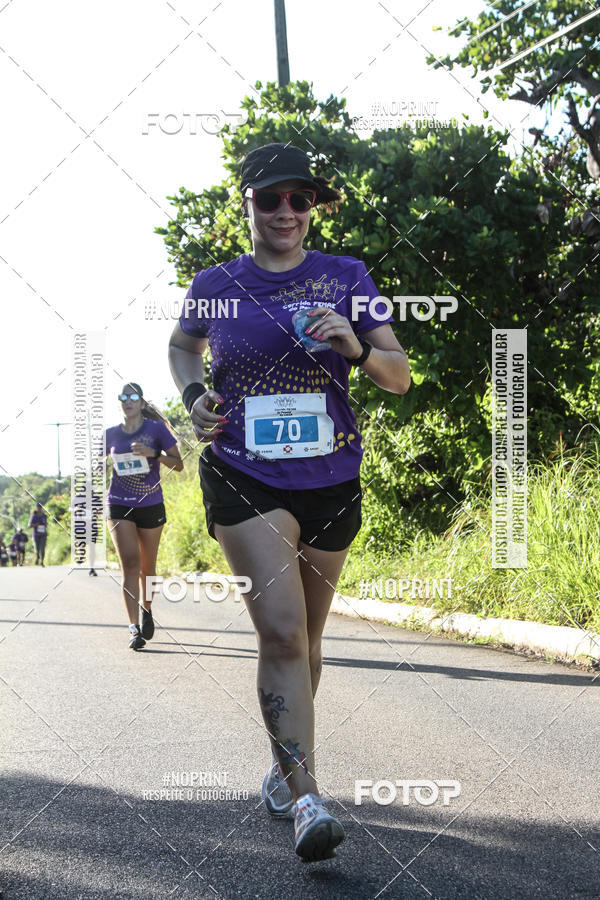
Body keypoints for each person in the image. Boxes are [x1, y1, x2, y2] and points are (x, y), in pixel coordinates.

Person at [168, 143, 411, 861]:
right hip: (246, 473)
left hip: (332, 478)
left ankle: (281, 771)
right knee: (279, 632)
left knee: (307, 636)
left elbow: (399, 375)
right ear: (245, 202)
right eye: (270, 198)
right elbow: (183, 347)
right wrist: (193, 398)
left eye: (299, 200)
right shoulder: (215, 283)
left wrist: (359, 349)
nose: (285, 212)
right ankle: (307, 795)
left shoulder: (347, 277)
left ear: (313, 209)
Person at [105, 383, 183, 650]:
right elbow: (93, 463)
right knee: (131, 564)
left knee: (148, 568)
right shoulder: (111, 434)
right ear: (120, 402)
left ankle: (146, 608)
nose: (128, 400)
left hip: (150, 503)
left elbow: (179, 464)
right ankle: (133, 628)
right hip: (118, 503)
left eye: (133, 396)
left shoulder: (156, 430)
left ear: (140, 402)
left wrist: (155, 455)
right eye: (123, 396)